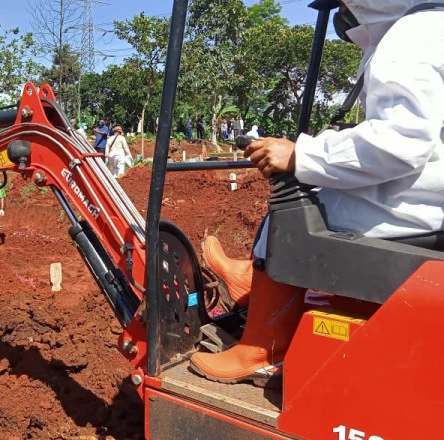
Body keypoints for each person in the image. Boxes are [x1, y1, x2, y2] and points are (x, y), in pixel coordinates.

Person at [190, 0, 444, 386]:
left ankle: (263, 349)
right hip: (428, 200)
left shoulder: (410, 37)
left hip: (413, 207)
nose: (341, 11)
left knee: (293, 211)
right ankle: (256, 280)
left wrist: (301, 153)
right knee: (312, 192)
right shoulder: (428, 28)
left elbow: (400, 143)